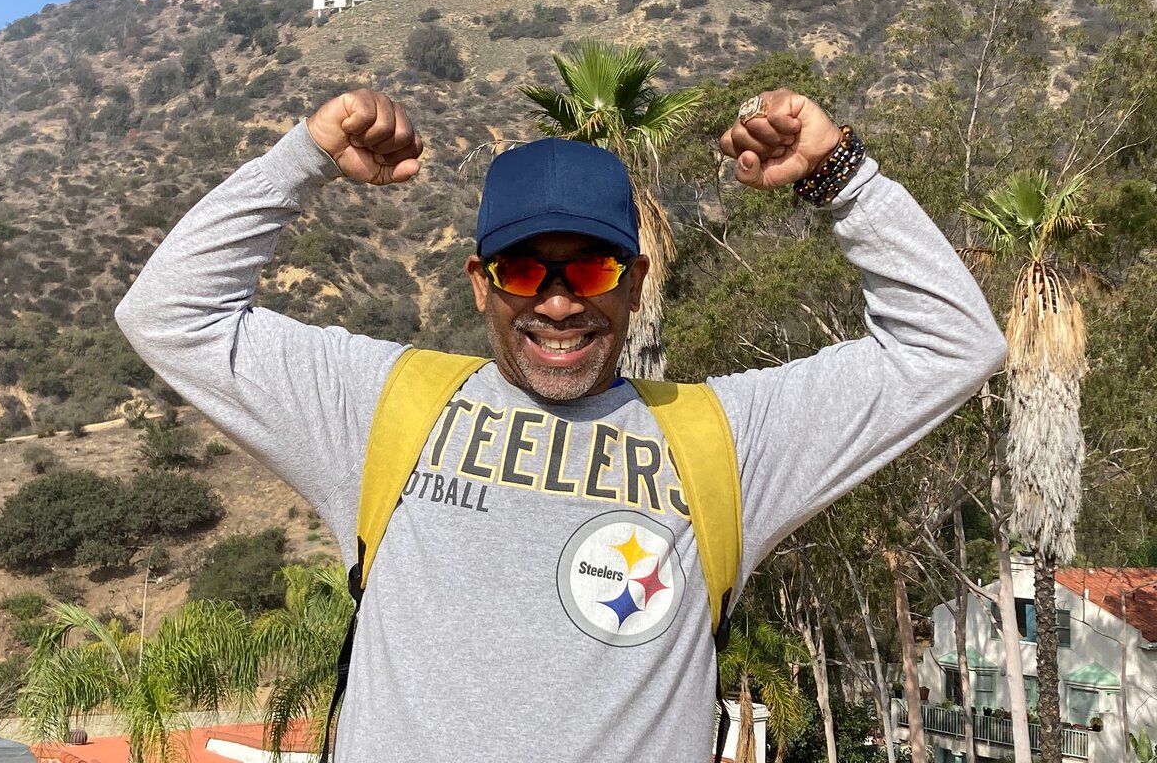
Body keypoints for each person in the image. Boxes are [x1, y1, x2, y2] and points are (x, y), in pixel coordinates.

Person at [116, 88, 1005, 761]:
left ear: (635, 279)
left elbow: (951, 344)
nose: (555, 303)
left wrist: (839, 173)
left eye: (588, 270)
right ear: (478, 282)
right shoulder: (380, 405)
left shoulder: (727, 440)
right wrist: (301, 158)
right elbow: (167, 314)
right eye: (521, 271)